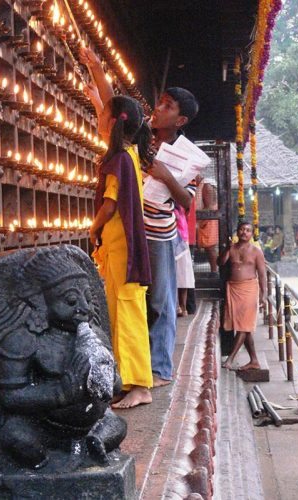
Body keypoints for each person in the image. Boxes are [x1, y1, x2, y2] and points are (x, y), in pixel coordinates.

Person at [79, 47, 199, 387]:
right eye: (159, 102)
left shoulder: (184, 156)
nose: (157, 109)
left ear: (181, 121)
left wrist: (165, 176)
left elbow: (187, 200)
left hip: (159, 233)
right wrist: (97, 72)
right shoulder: (140, 138)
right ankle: (134, 367)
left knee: (160, 300)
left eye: (167, 106)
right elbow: (113, 115)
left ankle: (158, 369)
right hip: (132, 230)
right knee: (131, 302)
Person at [89, 95, 154, 409]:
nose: (99, 119)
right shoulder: (129, 154)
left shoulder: (119, 159)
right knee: (117, 315)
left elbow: (111, 204)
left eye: (103, 114)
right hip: (118, 250)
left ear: (115, 121)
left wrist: (93, 226)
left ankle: (140, 384)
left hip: (124, 251)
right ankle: (126, 381)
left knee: (128, 315)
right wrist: (94, 92)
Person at [219, 221, 267, 371]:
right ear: (237, 232)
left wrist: (263, 295)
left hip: (250, 288)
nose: (244, 232)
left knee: (244, 325)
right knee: (243, 326)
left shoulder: (256, 251)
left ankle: (230, 358)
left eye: (247, 230)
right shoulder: (231, 249)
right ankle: (254, 361)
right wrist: (227, 248)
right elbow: (220, 262)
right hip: (233, 289)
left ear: (251, 234)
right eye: (241, 230)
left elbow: (263, 274)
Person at [175, 204, 195, 317]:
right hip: (172, 241)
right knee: (175, 276)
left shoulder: (181, 208)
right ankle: (177, 306)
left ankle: (183, 307)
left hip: (183, 241)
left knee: (184, 276)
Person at [197, 182, 219, 273]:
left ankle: (214, 271)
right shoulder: (200, 185)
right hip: (203, 218)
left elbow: (209, 207)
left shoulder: (206, 186)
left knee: (210, 247)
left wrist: (198, 223)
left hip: (209, 218)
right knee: (208, 247)